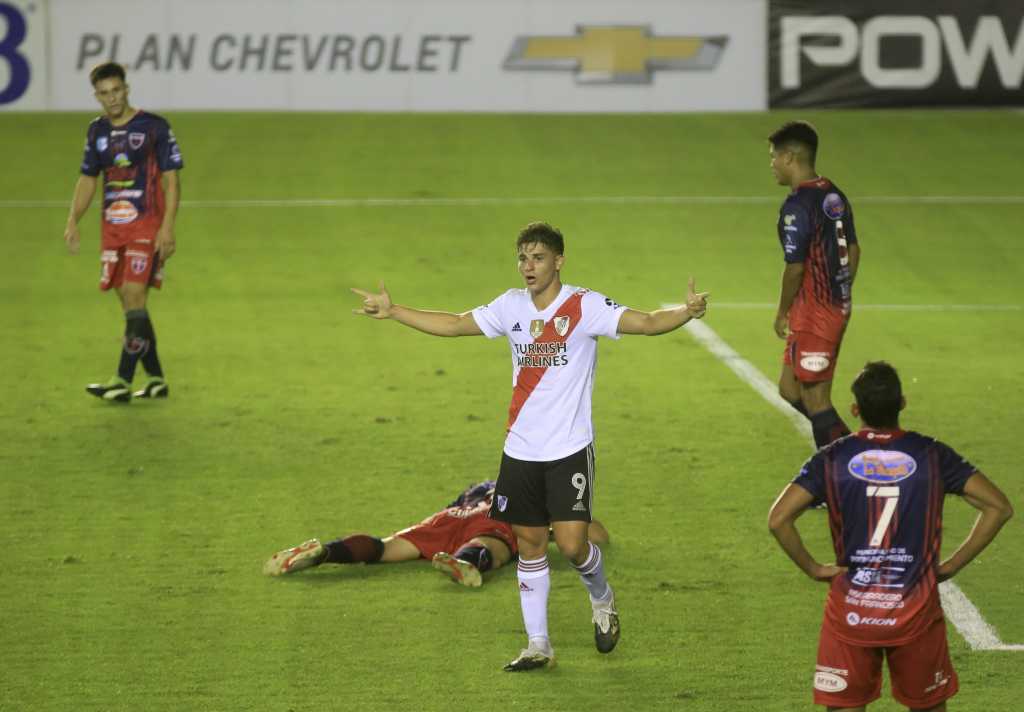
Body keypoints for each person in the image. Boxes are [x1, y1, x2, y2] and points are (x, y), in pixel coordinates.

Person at [352, 221, 709, 671]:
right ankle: (538, 644)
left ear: (559, 261)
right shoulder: (511, 306)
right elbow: (456, 324)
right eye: (523, 258)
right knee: (530, 543)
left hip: (569, 449)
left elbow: (647, 322)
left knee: (574, 546)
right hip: (520, 450)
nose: (528, 266)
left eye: (538, 258)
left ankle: (602, 598)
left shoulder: (584, 305)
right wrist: (395, 311)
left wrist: (686, 311)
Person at [768, 361, 1013, 711]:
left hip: (851, 614)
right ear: (902, 403)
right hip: (916, 611)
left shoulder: (832, 458)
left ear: (855, 410)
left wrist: (814, 568)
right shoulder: (932, 454)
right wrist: (951, 566)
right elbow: (998, 508)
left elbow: (779, 519)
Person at [63, 61, 184, 402]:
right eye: (104, 93)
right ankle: (156, 379)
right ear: (97, 97)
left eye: (116, 90)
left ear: (126, 89)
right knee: (132, 305)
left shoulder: (154, 126)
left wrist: (167, 227)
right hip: (113, 229)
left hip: (146, 225)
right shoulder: (96, 131)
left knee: (133, 295)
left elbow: (171, 180)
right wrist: (73, 220)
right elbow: (88, 178)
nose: (112, 98)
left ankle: (122, 380)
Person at [263, 480, 610, 588]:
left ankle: (327, 551)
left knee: (386, 547)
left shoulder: (481, 486)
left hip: (447, 518)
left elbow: (456, 505)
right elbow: (598, 536)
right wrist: (554, 529)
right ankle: (465, 561)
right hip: (490, 523)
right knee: (495, 545)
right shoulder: (532, 493)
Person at [769, 120, 860, 448]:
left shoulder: (797, 207)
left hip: (817, 313)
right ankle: (851, 450)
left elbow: (794, 268)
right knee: (789, 389)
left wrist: (782, 311)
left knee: (816, 400)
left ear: (790, 157)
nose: (772, 165)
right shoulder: (831, 193)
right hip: (825, 306)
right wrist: (842, 290)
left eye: (774, 157)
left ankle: (843, 467)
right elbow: (853, 249)